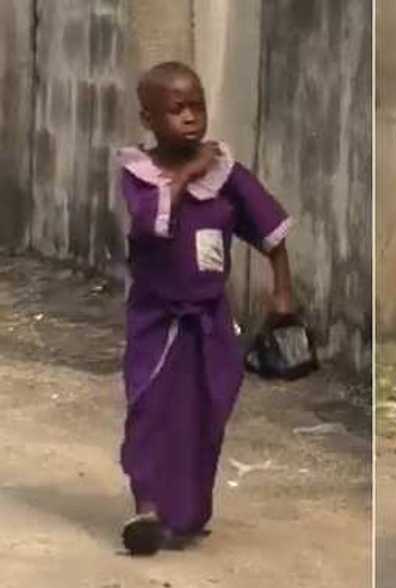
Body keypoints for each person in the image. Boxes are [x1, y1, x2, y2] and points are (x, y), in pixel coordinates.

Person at [116, 61, 295, 554]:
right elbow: (152, 225)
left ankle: (188, 511)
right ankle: (147, 508)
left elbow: (270, 230)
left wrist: (282, 291)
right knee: (150, 408)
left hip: (212, 320)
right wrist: (186, 175)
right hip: (158, 319)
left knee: (205, 412)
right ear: (149, 117)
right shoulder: (139, 175)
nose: (191, 118)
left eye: (197, 106)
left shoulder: (227, 173)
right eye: (176, 110)